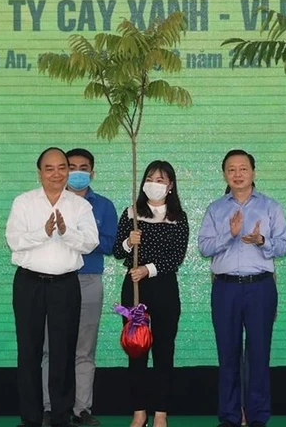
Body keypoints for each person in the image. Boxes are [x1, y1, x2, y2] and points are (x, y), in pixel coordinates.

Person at [7, 148, 100, 427]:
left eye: (62, 168)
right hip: (29, 283)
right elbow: (14, 240)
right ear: (40, 173)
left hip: (65, 285)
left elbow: (90, 242)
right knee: (29, 352)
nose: (56, 174)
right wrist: (45, 232)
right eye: (49, 168)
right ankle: (31, 419)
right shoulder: (24, 202)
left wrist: (65, 231)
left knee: (63, 352)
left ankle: (61, 417)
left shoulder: (80, 206)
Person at [199, 150, 286, 427]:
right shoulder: (216, 209)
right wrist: (231, 234)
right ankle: (229, 416)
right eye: (231, 169)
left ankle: (257, 417)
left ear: (253, 172)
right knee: (228, 354)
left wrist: (262, 240)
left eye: (243, 169)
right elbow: (204, 247)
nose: (238, 174)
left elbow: (284, 246)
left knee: (259, 353)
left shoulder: (270, 207)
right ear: (224, 174)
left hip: (260, 287)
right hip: (225, 289)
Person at [41, 149, 118, 426]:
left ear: (92, 173)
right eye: (69, 167)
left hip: (87, 280)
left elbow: (110, 244)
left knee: (83, 349)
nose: (75, 173)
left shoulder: (104, 206)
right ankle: (50, 407)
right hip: (54, 280)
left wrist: (78, 236)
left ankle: (80, 408)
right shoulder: (46, 201)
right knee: (51, 348)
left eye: (82, 168)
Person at [112, 160, 190, 427]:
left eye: (160, 180)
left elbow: (176, 257)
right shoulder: (132, 212)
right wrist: (127, 241)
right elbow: (117, 251)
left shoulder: (178, 217)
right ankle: (139, 411)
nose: (154, 184)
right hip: (135, 288)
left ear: (170, 186)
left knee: (164, 350)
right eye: (150, 178)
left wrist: (148, 269)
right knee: (136, 350)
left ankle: (161, 413)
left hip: (164, 288)